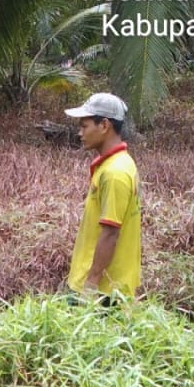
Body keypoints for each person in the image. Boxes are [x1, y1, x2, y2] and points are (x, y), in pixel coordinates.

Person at [63, 92, 141, 300]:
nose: (80, 133)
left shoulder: (115, 173)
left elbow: (110, 233)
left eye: (84, 126)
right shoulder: (115, 164)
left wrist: (91, 285)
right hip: (102, 287)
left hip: (102, 293)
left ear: (104, 125)